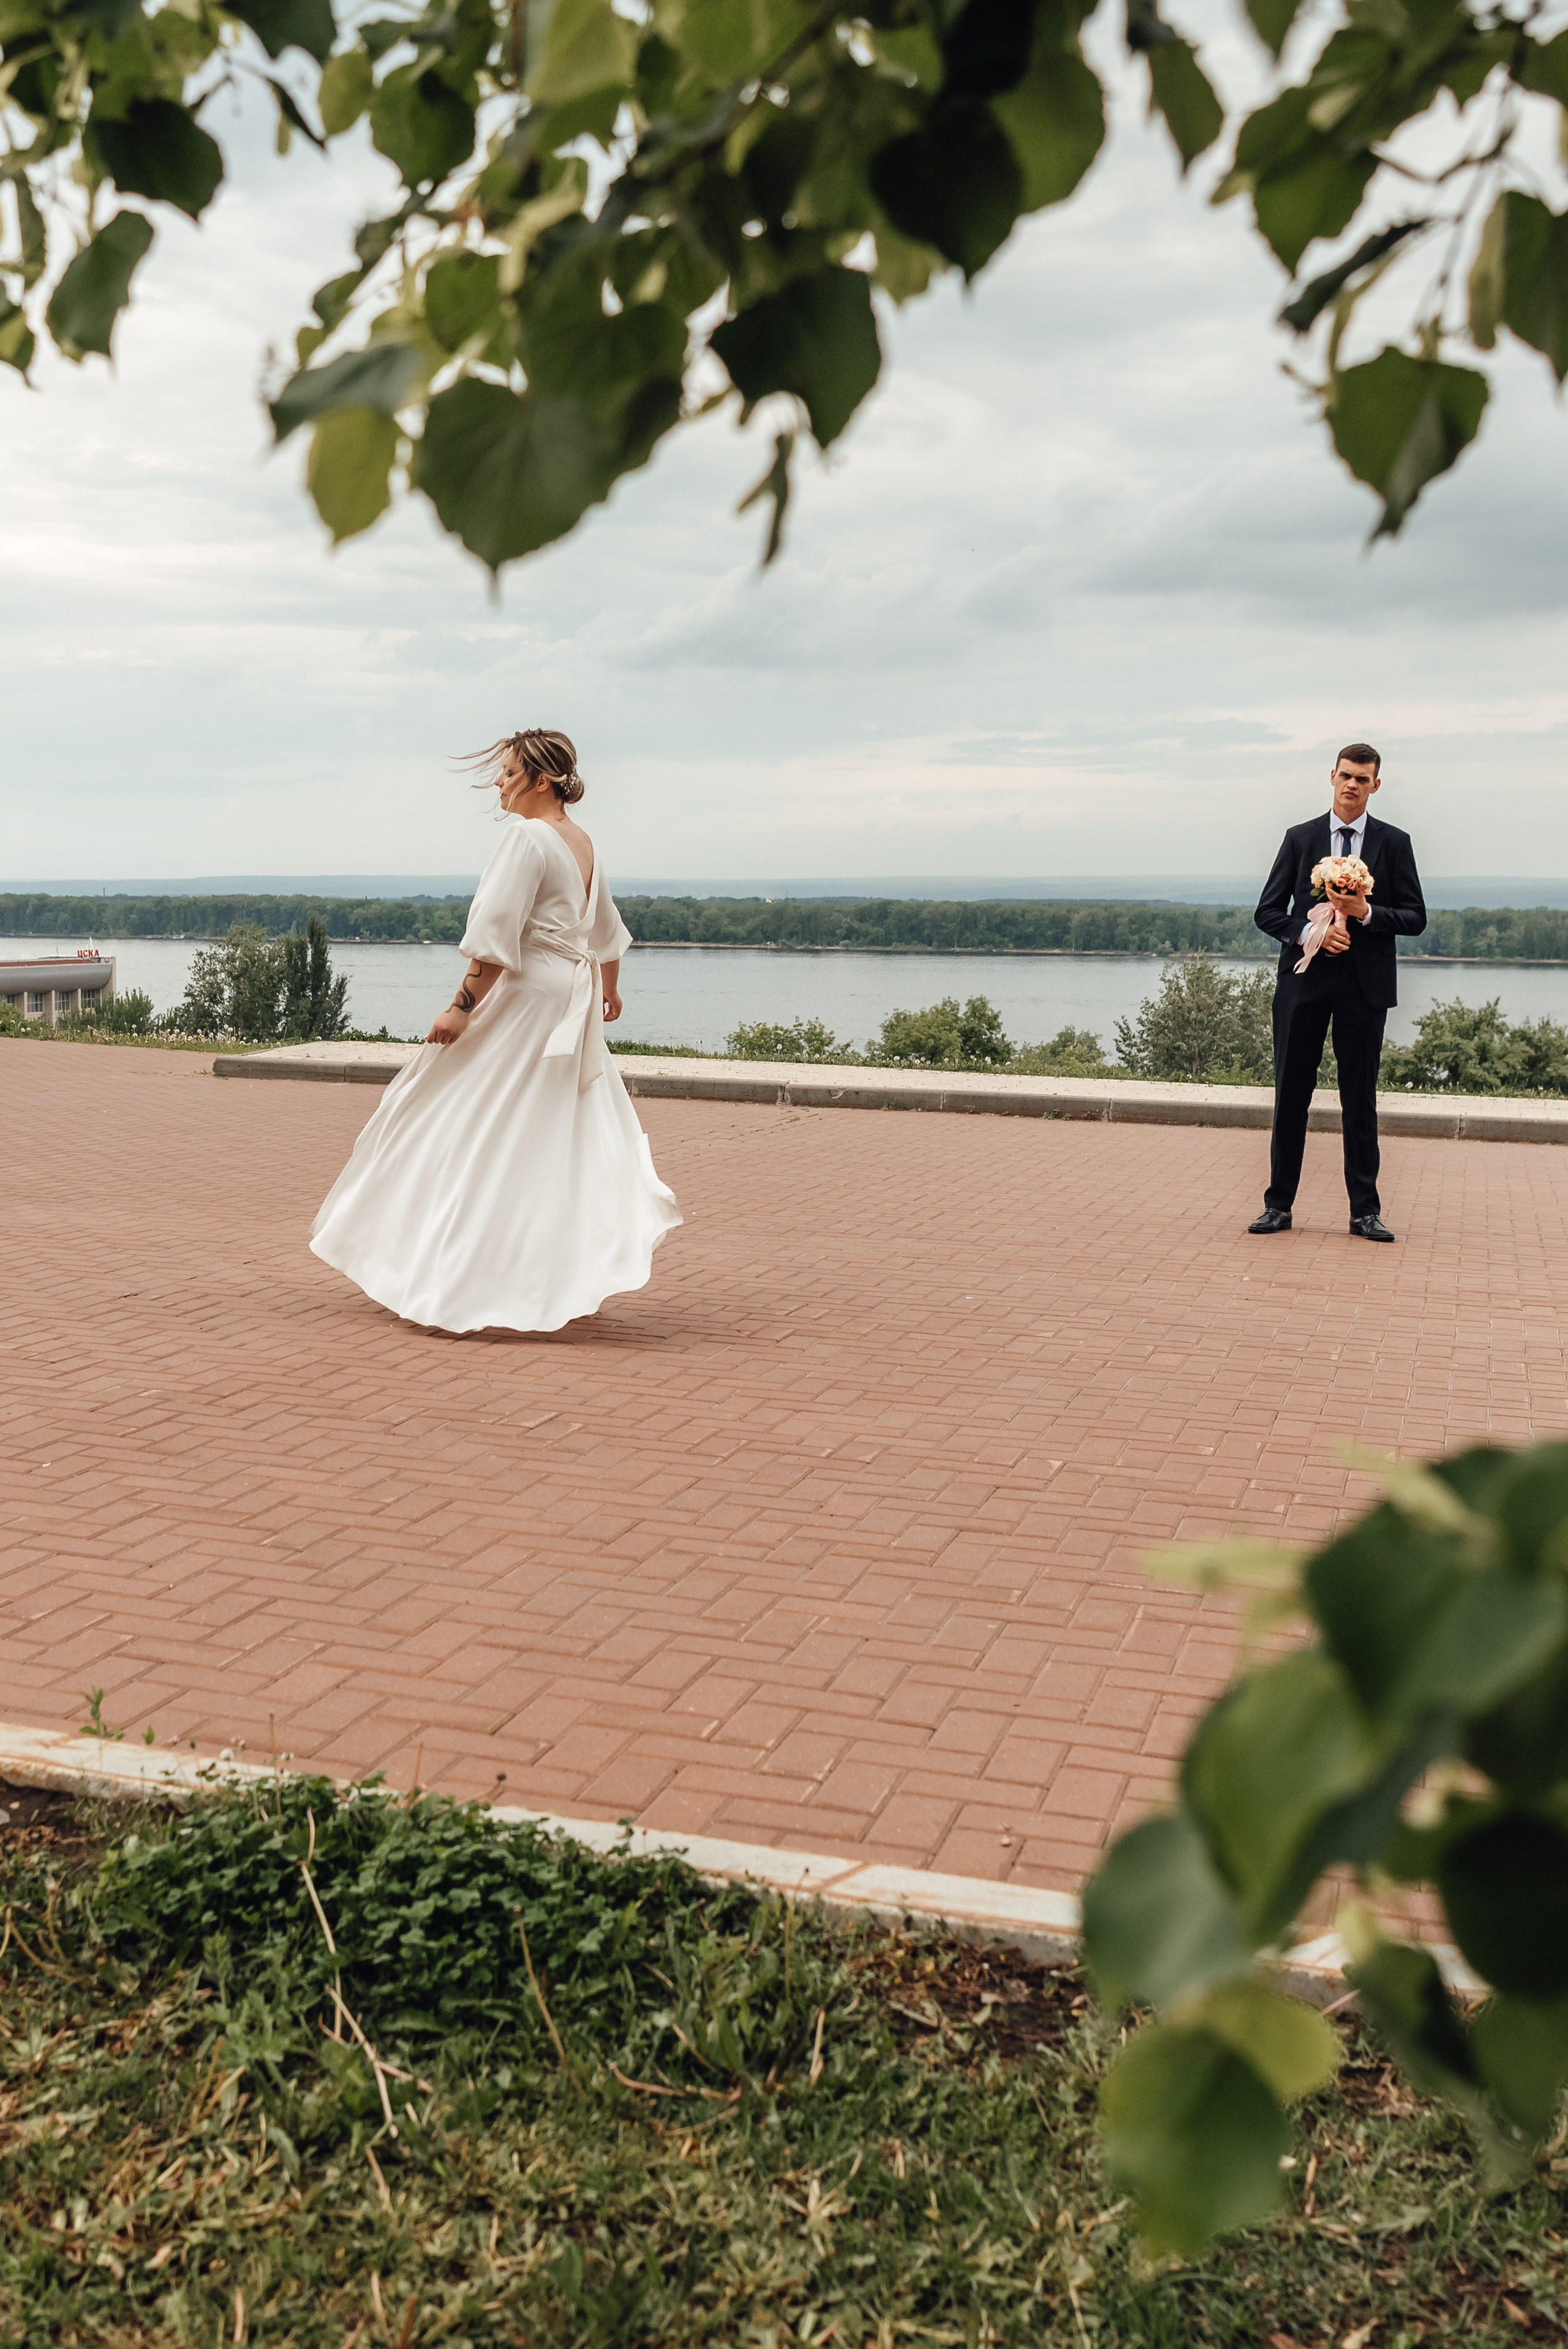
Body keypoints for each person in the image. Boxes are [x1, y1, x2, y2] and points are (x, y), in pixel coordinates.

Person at [310, 728, 681, 1331]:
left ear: (539, 779)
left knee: (451, 1115)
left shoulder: (527, 839)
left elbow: (495, 935)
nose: (498, 783)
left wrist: (460, 1006)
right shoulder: (580, 841)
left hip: (528, 999)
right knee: (534, 1131)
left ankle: (453, 1277)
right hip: (569, 999)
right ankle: (515, 1272)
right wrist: (609, 988)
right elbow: (606, 930)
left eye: (508, 772)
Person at [1250, 741, 1427, 1242]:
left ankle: (1364, 1212)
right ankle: (1278, 1205)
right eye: (1346, 775)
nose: (1353, 784)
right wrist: (1314, 933)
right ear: (1332, 777)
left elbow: (1415, 917)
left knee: (1360, 1100)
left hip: (1362, 989)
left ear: (1376, 784)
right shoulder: (1300, 838)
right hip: (1303, 983)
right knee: (1291, 1096)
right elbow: (1267, 912)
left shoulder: (1394, 843)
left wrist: (1366, 914)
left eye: (1363, 778)